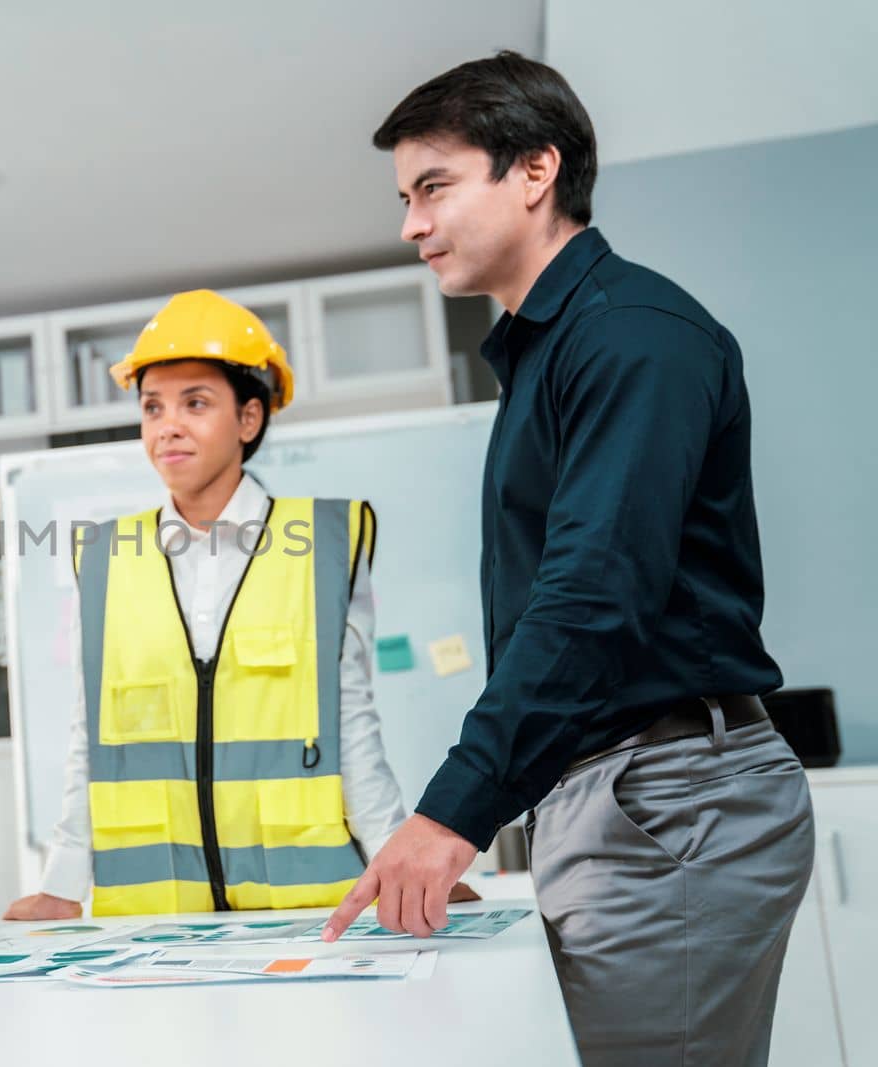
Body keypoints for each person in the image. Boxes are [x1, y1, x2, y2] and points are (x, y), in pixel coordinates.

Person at [321, 52, 814, 1066]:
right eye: (405, 197)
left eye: (433, 187)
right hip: (621, 786)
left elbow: (591, 599)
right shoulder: (551, 348)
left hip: (669, 791)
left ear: (534, 171)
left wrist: (452, 810)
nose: (411, 223)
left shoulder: (630, 334)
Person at [5, 289, 476, 920]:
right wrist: (62, 884)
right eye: (152, 407)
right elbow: (89, 738)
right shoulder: (105, 557)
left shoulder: (324, 548)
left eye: (195, 403)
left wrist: (401, 863)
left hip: (303, 920)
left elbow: (351, 727)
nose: (167, 425)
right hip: (156, 931)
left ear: (248, 419)